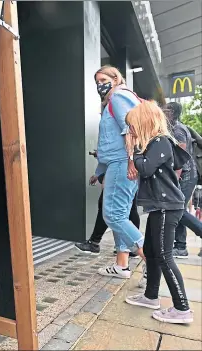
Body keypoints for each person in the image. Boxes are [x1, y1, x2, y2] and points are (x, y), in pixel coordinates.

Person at [125, 101, 193, 324]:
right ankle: (150, 296)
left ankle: (182, 309)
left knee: (164, 256)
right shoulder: (153, 144)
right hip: (158, 207)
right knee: (152, 253)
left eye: (132, 126)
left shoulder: (160, 141)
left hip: (166, 207)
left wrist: (133, 152)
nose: (131, 131)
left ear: (144, 122)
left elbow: (145, 167)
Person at [93, 65, 145, 279]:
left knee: (113, 215)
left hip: (123, 162)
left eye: (103, 79)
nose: (99, 85)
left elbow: (130, 128)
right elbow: (110, 141)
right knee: (121, 215)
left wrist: (131, 161)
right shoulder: (113, 102)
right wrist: (99, 171)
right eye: (96, 81)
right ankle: (121, 266)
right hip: (119, 161)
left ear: (115, 79)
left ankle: (150, 258)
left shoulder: (118, 97)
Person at [164, 102, 202, 258]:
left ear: (171, 112)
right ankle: (180, 246)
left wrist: (174, 178)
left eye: (165, 109)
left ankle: (183, 244)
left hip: (185, 175)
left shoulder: (178, 130)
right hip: (185, 174)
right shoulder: (174, 127)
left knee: (177, 208)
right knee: (178, 209)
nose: (162, 111)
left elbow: (180, 157)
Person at [75, 170, 140, 256]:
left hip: (120, 175)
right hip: (125, 175)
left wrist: (105, 177)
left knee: (108, 208)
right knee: (129, 210)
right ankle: (131, 247)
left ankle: (95, 242)